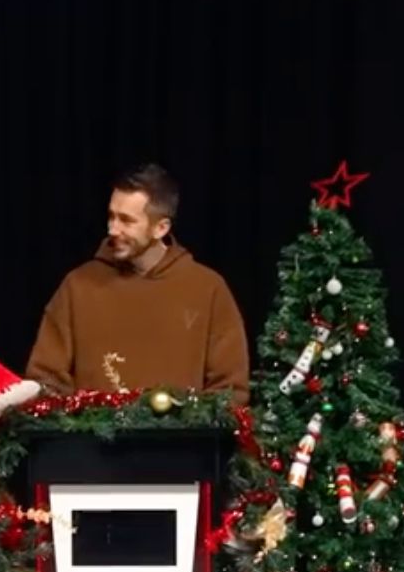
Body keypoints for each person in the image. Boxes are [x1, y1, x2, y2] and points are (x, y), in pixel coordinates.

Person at [26, 163, 249, 401]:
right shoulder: (77, 286)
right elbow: (46, 379)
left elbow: (229, 390)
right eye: (111, 216)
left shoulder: (208, 289)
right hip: (91, 427)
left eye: (126, 220)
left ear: (161, 228)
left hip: (182, 427)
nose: (113, 229)